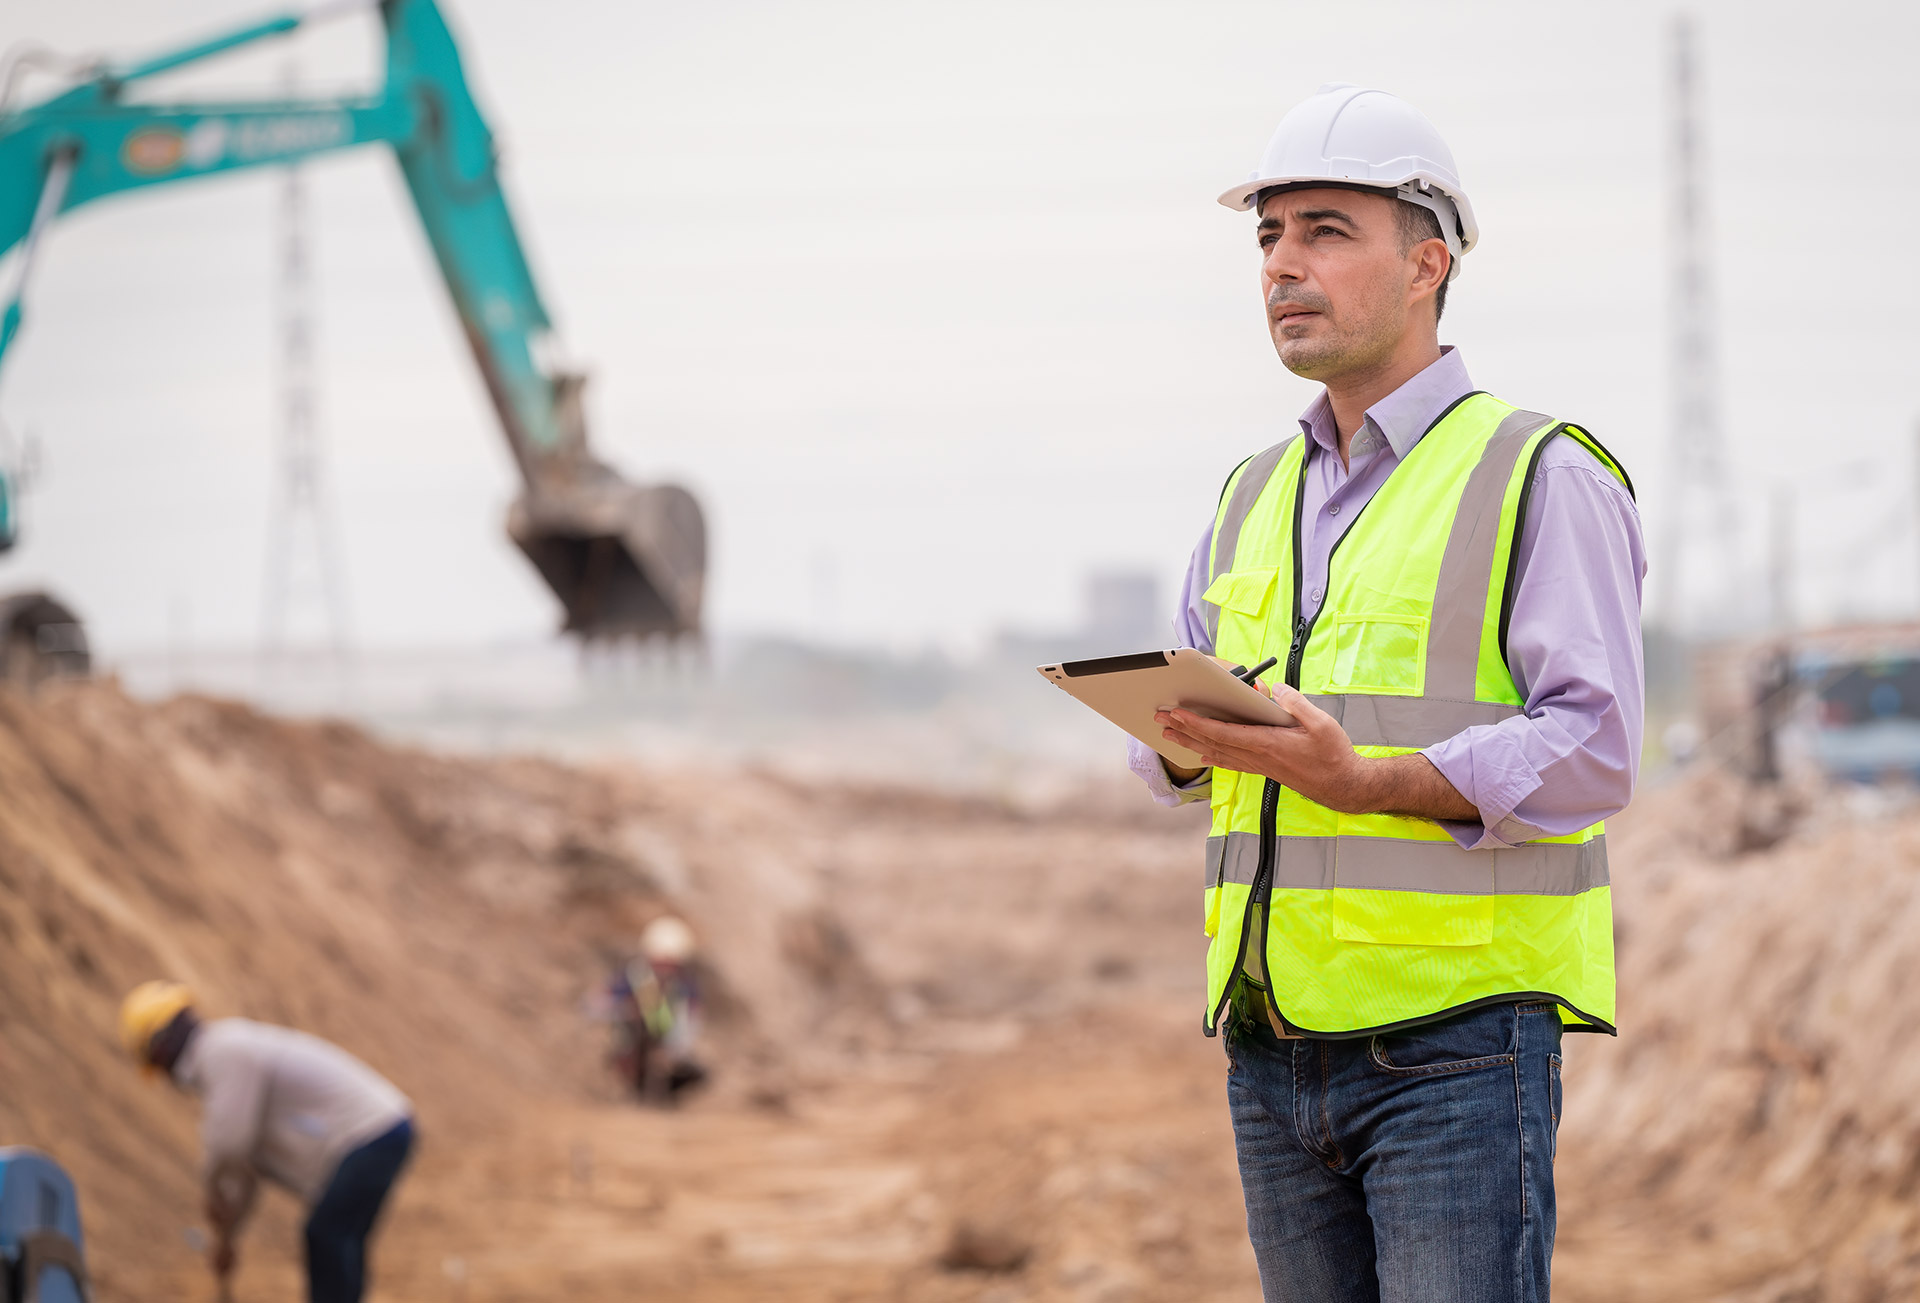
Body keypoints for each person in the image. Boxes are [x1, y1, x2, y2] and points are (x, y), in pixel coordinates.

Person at [1129, 84, 1645, 1302]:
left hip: (1456, 1046)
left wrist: (1363, 782)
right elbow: (1168, 756)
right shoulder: (1252, 492)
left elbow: (1595, 746)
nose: (1282, 267)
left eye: (1323, 230)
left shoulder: (1539, 472)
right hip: (1268, 1043)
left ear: (1429, 262)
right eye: (1267, 236)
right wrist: (1180, 740)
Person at [118, 982, 415, 1303]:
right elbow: (246, 1173)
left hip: (372, 1132)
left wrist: (212, 1190)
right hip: (383, 1130)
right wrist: (228, 1239)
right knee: (340, 1238)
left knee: (328, 1234)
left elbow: (229, 1146)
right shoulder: (226, 1063)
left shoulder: (222, 1052)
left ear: (160, 1048)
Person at [603, 915, 706, 1104]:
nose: (664, 968)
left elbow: (690, 1023)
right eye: (660, 962)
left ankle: (666, 1097)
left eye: (670, 963)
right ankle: (633, 1092)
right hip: (633, 1046)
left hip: (666, 1047)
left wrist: (673, 1052)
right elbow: (601, 1004)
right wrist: (623, 1010)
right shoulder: (634, 977)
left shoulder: (683, 986)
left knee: (695, 1071)